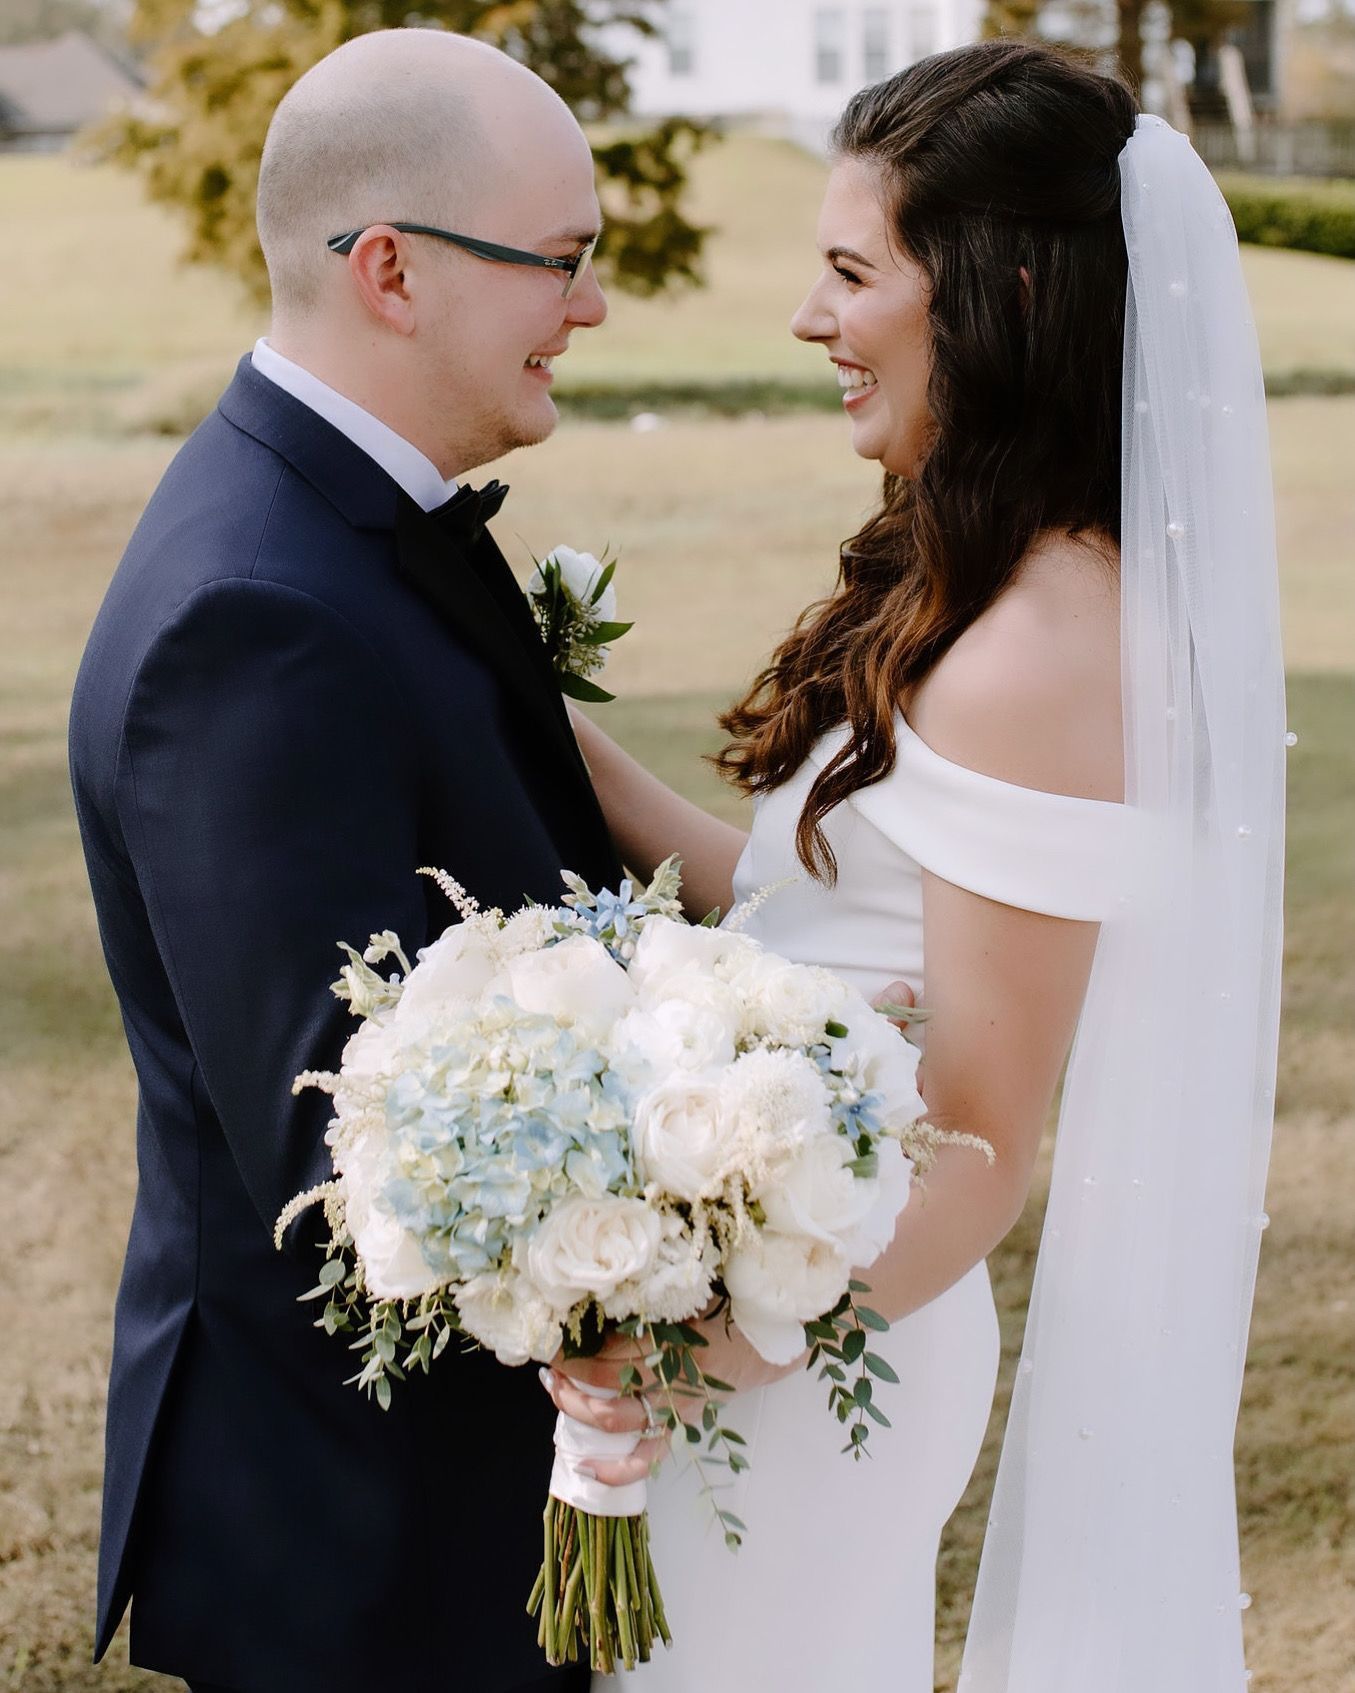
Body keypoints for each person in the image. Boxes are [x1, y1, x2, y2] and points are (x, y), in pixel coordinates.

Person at [545, 40, 1286, 1693]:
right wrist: (552, 740)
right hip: (788, 1330)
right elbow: (809, 913)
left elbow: (979, 1144)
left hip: (821, 1363)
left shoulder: (1035, 650)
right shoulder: (983, 576)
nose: (809, 318)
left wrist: (686, 1350)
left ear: (998, 294)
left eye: (850, 271)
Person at [68, 29, 621, 1693]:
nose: (594, 305)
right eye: (562, 260)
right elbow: (344, 1149)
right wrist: (679, 1209)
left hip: (429, 1512)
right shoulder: (255, 617)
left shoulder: (350, 527)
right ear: (391, 269)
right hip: (361, 1549)